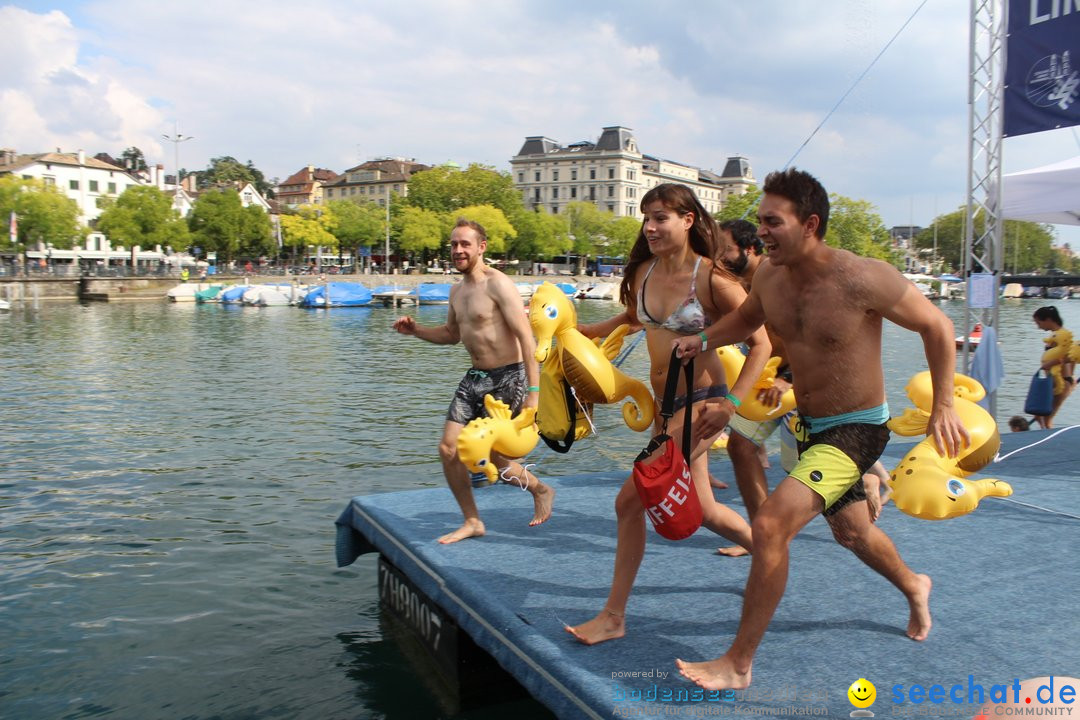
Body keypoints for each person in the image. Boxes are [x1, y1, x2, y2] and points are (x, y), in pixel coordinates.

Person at [671, 168, 969, 690]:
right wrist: (707, 338)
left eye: (772, 221)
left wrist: (943, 403)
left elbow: (937, 326)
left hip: (856, 430)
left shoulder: (863, 277)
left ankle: (738, 663)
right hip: (807, 426)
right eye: (760, 220)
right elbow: (748, 321)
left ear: (810, 224)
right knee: (851, 532)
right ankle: (914, 584)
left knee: (769, 526)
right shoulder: (768, 276)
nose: (760, 231)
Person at [564, 183, 772, 645]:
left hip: (702, 402)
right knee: (704, 510)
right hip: (665, 406)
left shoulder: (712, 279)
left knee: (629, 500)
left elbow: (762, 343)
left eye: (660, 217)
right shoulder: (643, 270)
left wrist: (732, 403)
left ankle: (614, 616)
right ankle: (771, 555)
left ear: (688, 220)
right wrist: (592, 331)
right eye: (646, 219)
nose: (650, 227)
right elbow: (637, 317)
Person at [393, 218, 555, 544]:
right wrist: (417, 331)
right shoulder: (456, 291)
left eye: (465, 244)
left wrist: (533, 394)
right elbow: (452, 335)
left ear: (481, 247)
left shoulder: (498, 284)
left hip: (510, 377)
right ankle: (472, 521)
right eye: (453, 244)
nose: (458, 250)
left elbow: (527, 339)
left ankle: (539, 488)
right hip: (476, 377)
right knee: (448, 449)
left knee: (495, 457)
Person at [718, 218, 889, 525]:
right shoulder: (739, 287)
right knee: (740, 445)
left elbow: (819, 341)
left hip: (799, 385)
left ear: (750, 248)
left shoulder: (784, 281)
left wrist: (788, 381)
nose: (720, 258)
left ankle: (863, 482)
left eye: (726, 250)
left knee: (798, 467)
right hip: (767, 384)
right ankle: (759, 530)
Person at [1031, 306, 1075, 429]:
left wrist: (1069, 380)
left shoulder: (1062, 336)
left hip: (1062, 381)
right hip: (1051, 381)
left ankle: (1050, 443)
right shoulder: (1054, 336)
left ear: (1049, 319)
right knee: (1038, 414)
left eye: (1039, 322)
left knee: (1047, 417)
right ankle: (1044, 435)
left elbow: (1071, 358)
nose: (1038, 326)